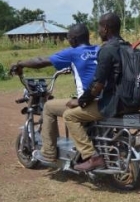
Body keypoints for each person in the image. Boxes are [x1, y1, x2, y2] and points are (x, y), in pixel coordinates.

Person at [9, 24, 100, 163]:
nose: (68, 41)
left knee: (49, 107)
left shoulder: (73, 52)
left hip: (88, 101)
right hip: (103, 99)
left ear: (74, 39)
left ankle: (48, 152)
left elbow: (41, 61)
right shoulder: (99, 50)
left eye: (68, 38)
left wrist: (21, 64)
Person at [62, 12, 134, 172]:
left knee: (69, 116)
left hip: (113, 104)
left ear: (106, 28)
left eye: (100, 27)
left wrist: (80, 101)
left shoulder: (107, 50)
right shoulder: (128, 47)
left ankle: (92, 157)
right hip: (130, 102)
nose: (98, 31)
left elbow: (97, 85)